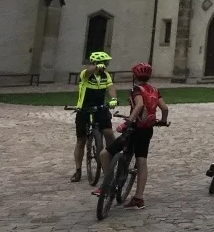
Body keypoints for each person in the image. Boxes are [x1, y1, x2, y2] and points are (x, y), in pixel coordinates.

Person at [95, 63, 169, 209]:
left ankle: (108, 184)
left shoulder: (136, 90)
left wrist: (128, 122)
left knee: (104, 153)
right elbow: (165, 108)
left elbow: (140, 105)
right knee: (142, 161)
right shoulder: (154, 90)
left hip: (134, 129)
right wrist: (163, 121)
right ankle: (138, 198)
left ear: (134, 76)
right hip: (147, 130)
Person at [71, 51, 118, 183]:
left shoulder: (105, 75)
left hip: (100, 108)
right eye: (105, 63)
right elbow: (87, 71)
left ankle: (111, 156)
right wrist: (96, 67)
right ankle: (78, 170)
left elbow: (110, 87)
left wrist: (113, 98)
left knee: (109, 132)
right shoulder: (86, 74)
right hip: (84, 109)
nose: (106, 65)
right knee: (81, 140)